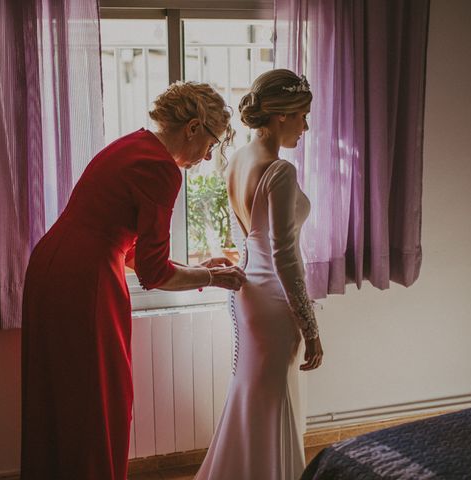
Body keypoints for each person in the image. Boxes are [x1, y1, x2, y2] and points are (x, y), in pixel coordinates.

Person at [21, 81, 246, 480]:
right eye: (211, 143)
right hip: (85, 280)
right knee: (98, 398)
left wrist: (200, 268)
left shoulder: (131, 144)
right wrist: (213, 276)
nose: (209, 155)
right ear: (193, 127)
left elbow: (130, 251)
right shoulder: (161, 169)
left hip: (51, 266)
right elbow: (153, 273)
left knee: (58, 394)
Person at [195, 69, 324, 480]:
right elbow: (285, 258)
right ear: (280, 116)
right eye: (302, 115)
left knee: (253, 393)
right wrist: (311, 328)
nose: (306, 126)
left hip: (247, 291)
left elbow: (245, 233)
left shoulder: (237, 159)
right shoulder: (279, 171)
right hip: (275, 300)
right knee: (274, 397)